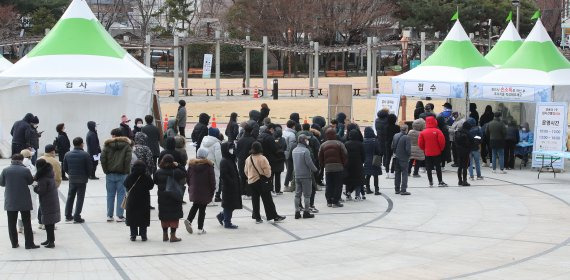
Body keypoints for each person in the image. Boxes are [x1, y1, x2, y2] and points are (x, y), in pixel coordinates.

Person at [1, 154, 38, 249]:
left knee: (11, 223)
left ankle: (14, 243)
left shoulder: (5, 170)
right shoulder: (25, 170)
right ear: (22, 160)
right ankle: (29, 244)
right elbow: (30, 182)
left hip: (10, 200)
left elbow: (1, 183)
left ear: (12, 160)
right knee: (27, 222)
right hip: (24, 199)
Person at [244, 141, 286, 224]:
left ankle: (257, 218)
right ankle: (273, 216)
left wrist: (250, 176)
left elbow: (245, 171)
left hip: (251, 181)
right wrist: (267, 176)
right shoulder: (262, 158)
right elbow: (267, 172)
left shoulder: (248, 158)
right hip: (261, 181)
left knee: (255, 200)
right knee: (268, 200)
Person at [101, 128, 132, 222]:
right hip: (122, 174)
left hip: (110, 173)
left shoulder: (107, 145)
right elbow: (128, 160)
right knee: (121, 194)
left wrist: (106, 171)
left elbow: (103, 159)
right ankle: (119, 215)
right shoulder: (127, 145)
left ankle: (109, 215)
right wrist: (126, 171)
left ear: (114, 135)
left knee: (110, 194)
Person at [154, 155, 185, 242]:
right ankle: (173, 236)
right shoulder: (177, 172)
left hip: (162, 196)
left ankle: (165, 235)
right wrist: (178, 165)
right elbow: (185, 173)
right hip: (174, 197)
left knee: (164, 216)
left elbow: (155, 181)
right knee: (174, 216)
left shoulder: (158, 172)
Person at [184, 148, 216, 235]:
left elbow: (187, 178)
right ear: (205, 155)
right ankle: (200, 229)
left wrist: (191, 186)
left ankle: (189, 220)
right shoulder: (209, 166)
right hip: (205, 190)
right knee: (202, 209)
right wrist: (213, 190)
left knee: (195, 205)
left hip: (194, 189)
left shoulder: (191, 165)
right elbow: (212, 180)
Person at [63, 137, 92, 223]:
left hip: (72, 178)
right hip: (82, 179)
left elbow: (65, 167)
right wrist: (87, 175)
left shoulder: (67, 154)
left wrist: (70, 174)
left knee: (70, 196)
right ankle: (77, 216)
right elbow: (89, 168)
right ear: (81, 144)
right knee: (80, 198)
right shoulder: (85, 154)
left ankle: (68, 215)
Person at [33, 159, 60, 248]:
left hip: (47, 201)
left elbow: (42, 191)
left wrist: (35, 188)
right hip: (52, 199)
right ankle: (49, 239)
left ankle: (51, 242)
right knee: (50, 222)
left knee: (48, 223)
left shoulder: (43, 177)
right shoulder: (49, 173)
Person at [124, 160, 154, 241]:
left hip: (132, 199)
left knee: (132, 217)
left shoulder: (130, 176)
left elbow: (125, 184)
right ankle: (143, 235)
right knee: (143, 217)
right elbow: (151, 186)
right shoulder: (147, 176)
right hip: (144, 199)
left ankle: (133, 235)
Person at [319, 128, 348, 208]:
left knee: (329, 184)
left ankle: (329, 201)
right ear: (335, 134)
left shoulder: (323, 145)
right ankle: (335, 201)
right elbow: (345, 154)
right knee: (338, 185)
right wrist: (343, 164)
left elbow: (320, 157)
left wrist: (323, 165)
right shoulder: (340, 144)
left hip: (328, 167)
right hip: (338, 167)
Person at [216, 142, 242, 229]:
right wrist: (231, 182)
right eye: (230, 148)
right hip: (229, 187)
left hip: (233, 185)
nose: (232, 150)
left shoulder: (231, 159)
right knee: (229, 205)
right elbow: (224, 175)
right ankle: (227, 222)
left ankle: (222, 216)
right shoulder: (224, 161)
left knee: (232, 204)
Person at [292, 134, 318, 219]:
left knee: (297, 194)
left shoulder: (294, 150)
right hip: (306, 175)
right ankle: (306, 212)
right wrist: (315, 170)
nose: (308, 141)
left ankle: (297, 212)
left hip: (297, 175)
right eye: (307, 139)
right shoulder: (305, 151)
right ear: (304, 141)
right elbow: (309, 163)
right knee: (307, 195)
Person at [418, 116, 447, 187]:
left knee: (428, 168)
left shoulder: (423, 132)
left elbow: (420, 143)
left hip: (427, 152)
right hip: (437, 152)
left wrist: (424, 149)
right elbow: (442, 142)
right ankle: (440, 181)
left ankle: (430, 182)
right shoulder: (438, 131)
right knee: (438, 167)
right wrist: (441, 149)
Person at [201, 128, 222, 201]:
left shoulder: (203, 141)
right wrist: (220, 167)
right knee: (214, 182)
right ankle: (211, 199)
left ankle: (205, 197)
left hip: (203, 163)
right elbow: (218, 157)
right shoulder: (216, 144)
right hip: (213, 165)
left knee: (205, 181)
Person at [19, 150, 38, 233]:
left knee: (22, 209)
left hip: (23, 189)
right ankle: (26, 228)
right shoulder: (29, 165)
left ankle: (20, 227)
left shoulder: (22, 164)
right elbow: (32, 178)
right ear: (29, 156)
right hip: (30, 189)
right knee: (30, 209)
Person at [344, 130, 365, 200]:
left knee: (348, 180)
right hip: (358, 164)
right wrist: (362, 161)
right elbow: (363, 155)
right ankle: (357, 195)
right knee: (358, 180)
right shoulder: (360, 144)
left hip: (348, 164)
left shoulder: (346, 144)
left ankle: (348, 195)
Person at [236, 124, 256, 198]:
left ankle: (242, 192)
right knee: (250, 176)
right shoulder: (253, 140)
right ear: (251, 131)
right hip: (250, 160)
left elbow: (237, 151)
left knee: (242, 176)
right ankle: (249, 193)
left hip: (241, 160)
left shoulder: (240, 140)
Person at [392, 124, 411, 195]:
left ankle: (397, 189)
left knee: (397, 173)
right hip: (404, 158)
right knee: (404, 173)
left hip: (396, 157)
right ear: (406, 130)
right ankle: (403, 189)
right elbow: (408, 149)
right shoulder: (407, 137)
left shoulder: (395, 135)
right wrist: (409, 156)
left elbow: (392, 146)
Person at [363, 127, 382, 195]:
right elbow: (379, 151)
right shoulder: (375, 141)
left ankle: (367, 189)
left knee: (368, 175)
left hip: (366, 160)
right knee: (375, 175)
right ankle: (376, 190)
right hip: (375, 160)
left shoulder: (363, 141)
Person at [454, 121, 474, 186]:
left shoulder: (457, 132)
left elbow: (455, 142)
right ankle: (465, 181)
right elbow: (472, 141)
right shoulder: (468, 133)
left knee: (460, 167)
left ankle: (460, 180)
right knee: (465, 167)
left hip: (459, 151)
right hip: (466, 151)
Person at [282, 120, 297, 191]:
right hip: (289, 154)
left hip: (284, 153)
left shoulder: (283, 132)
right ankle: (286, 184)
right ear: (293, 126)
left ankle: (289, 183)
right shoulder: (292, 135)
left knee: (288, 168)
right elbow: (292, 146)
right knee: (290, 169)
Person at [385, 114, 399, 178]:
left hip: (388, 143)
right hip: (395, 143)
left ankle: (387, 172)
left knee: (388, 158)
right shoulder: (397, 127)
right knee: (394, 157)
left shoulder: (386, 127)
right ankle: (392, 171)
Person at [272, 128, 287, 194]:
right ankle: (278, 190)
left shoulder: (272, 139)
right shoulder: (283, 140)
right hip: (280, 159)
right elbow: (285, 147)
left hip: (273, 159)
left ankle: (272, 189)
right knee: (278, 175)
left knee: (271, 176)